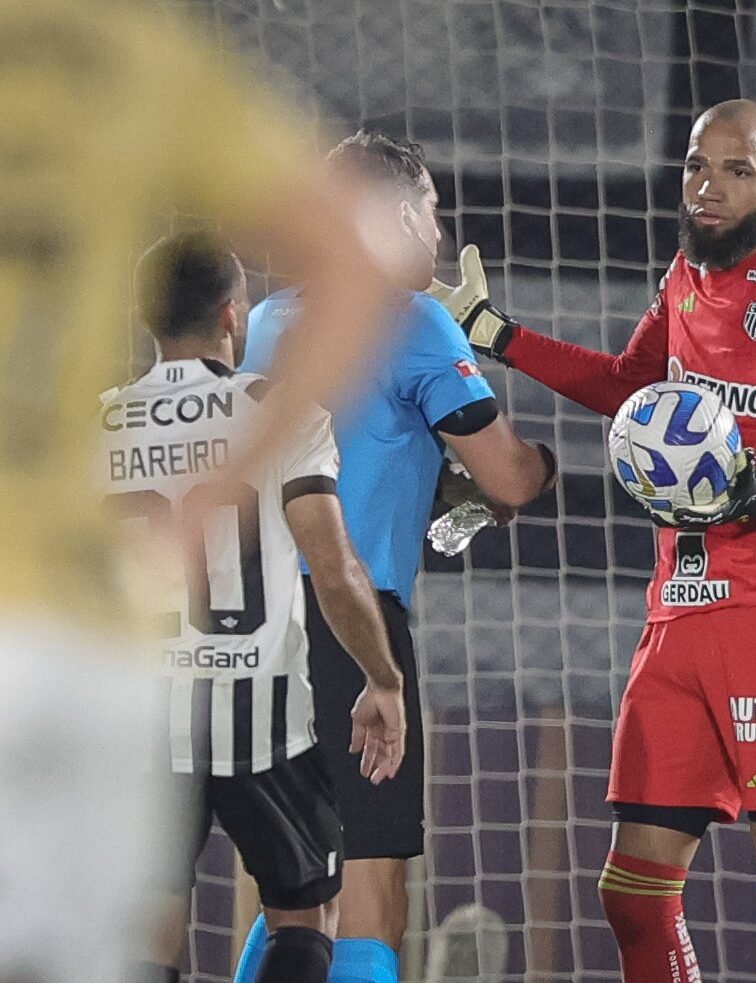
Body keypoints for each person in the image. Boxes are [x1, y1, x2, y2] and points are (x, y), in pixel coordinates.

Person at [0, 4, 403, 983]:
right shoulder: (126, 42)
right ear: (232, 311)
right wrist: (224, 508)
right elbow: (356, 256)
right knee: (297, 906)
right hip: (92, 652)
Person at [430, 99, 756, 982]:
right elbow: (631, 385)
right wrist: (496, 336)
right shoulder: (686, 275)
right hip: (682, 612)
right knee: (632, 894)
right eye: (698, 166)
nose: (708, 187)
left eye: (738, 171)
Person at [232, 129, 558, 983]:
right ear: (404, 213)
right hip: (350, 624)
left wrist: (430, 477)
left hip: (251, 630)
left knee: (293, 892)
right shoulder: (416, 319)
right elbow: (512, 480)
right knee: (371, 891)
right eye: (435, 216)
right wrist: (539, 466)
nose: (440, 238)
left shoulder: (269, 319)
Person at [105, 233, 407, 983]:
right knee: (305, 916)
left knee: (149, 923)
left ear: (147, 319)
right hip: (263, 714)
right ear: (231, 314)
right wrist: (384, 679)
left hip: (147, 716)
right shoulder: (279, 411)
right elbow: (334, 569)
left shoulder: (103, 422)